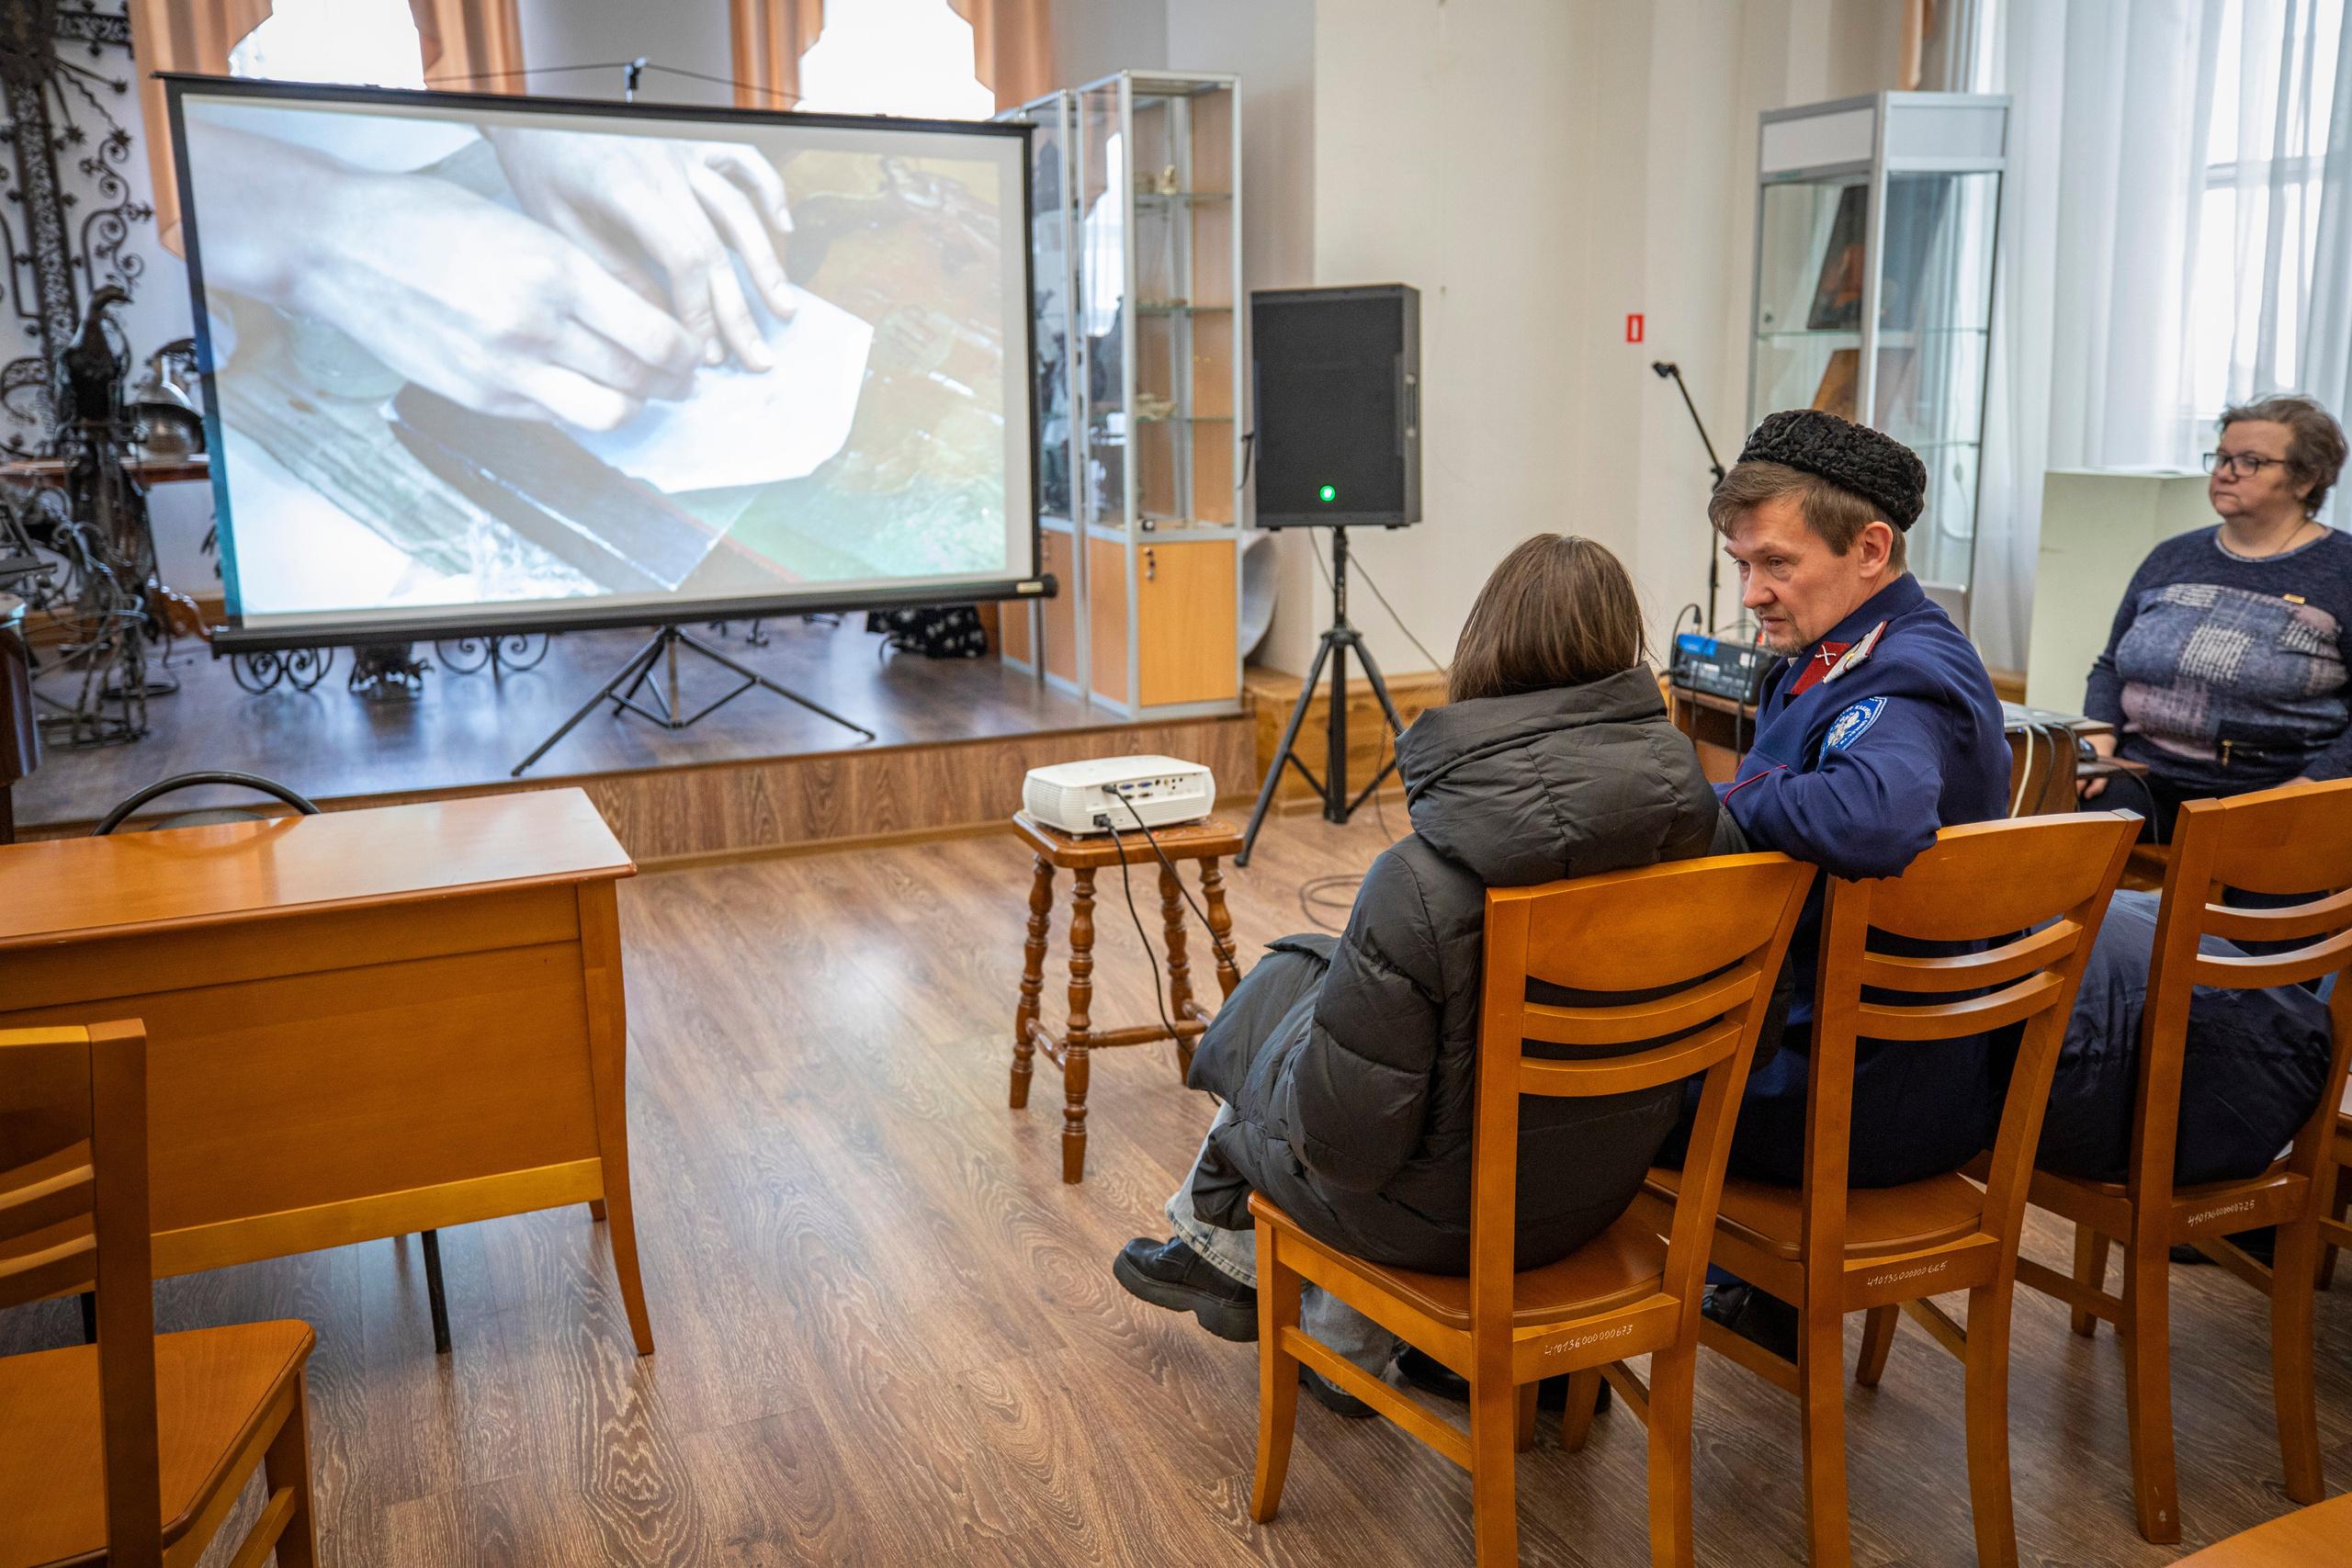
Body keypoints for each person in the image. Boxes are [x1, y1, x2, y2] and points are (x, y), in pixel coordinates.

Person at [1112, 535, 1739, 1415]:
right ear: (1624, 656)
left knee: (1284, 1016)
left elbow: (1343, 1150)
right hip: (1604, 1198)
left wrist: (1275, 1078)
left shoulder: (1422, 880)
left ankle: (1300, 1312)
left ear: (1483, 647)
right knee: (1321, 985)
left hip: (1448, 1228)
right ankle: (1329, 1336)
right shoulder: (1721, 848)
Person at [1689, 409, 2013, 1353]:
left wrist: (1721, 796)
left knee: (1561, 1077)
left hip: (1853, 1097)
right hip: (1875, 1070)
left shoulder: (1905, 670)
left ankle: (1523, 1361)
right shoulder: (1846, 649)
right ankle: (1752, 1295)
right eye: (1740, 564)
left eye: (1776, 564)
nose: (1750, 593)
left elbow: (1875, 814)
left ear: (1871, 547)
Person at [2078, 395, 2351, 836]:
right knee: (2047, 852)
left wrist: (2311, 785)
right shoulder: (2173, 556)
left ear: (2306, 479)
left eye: (2249, 461)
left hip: (2276, 789)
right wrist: (2101, 741)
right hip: (2148, 774)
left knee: (2270, 899)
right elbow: (2111, 666)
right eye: (2221, 457)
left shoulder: (2343, 571)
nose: (2225, 472)